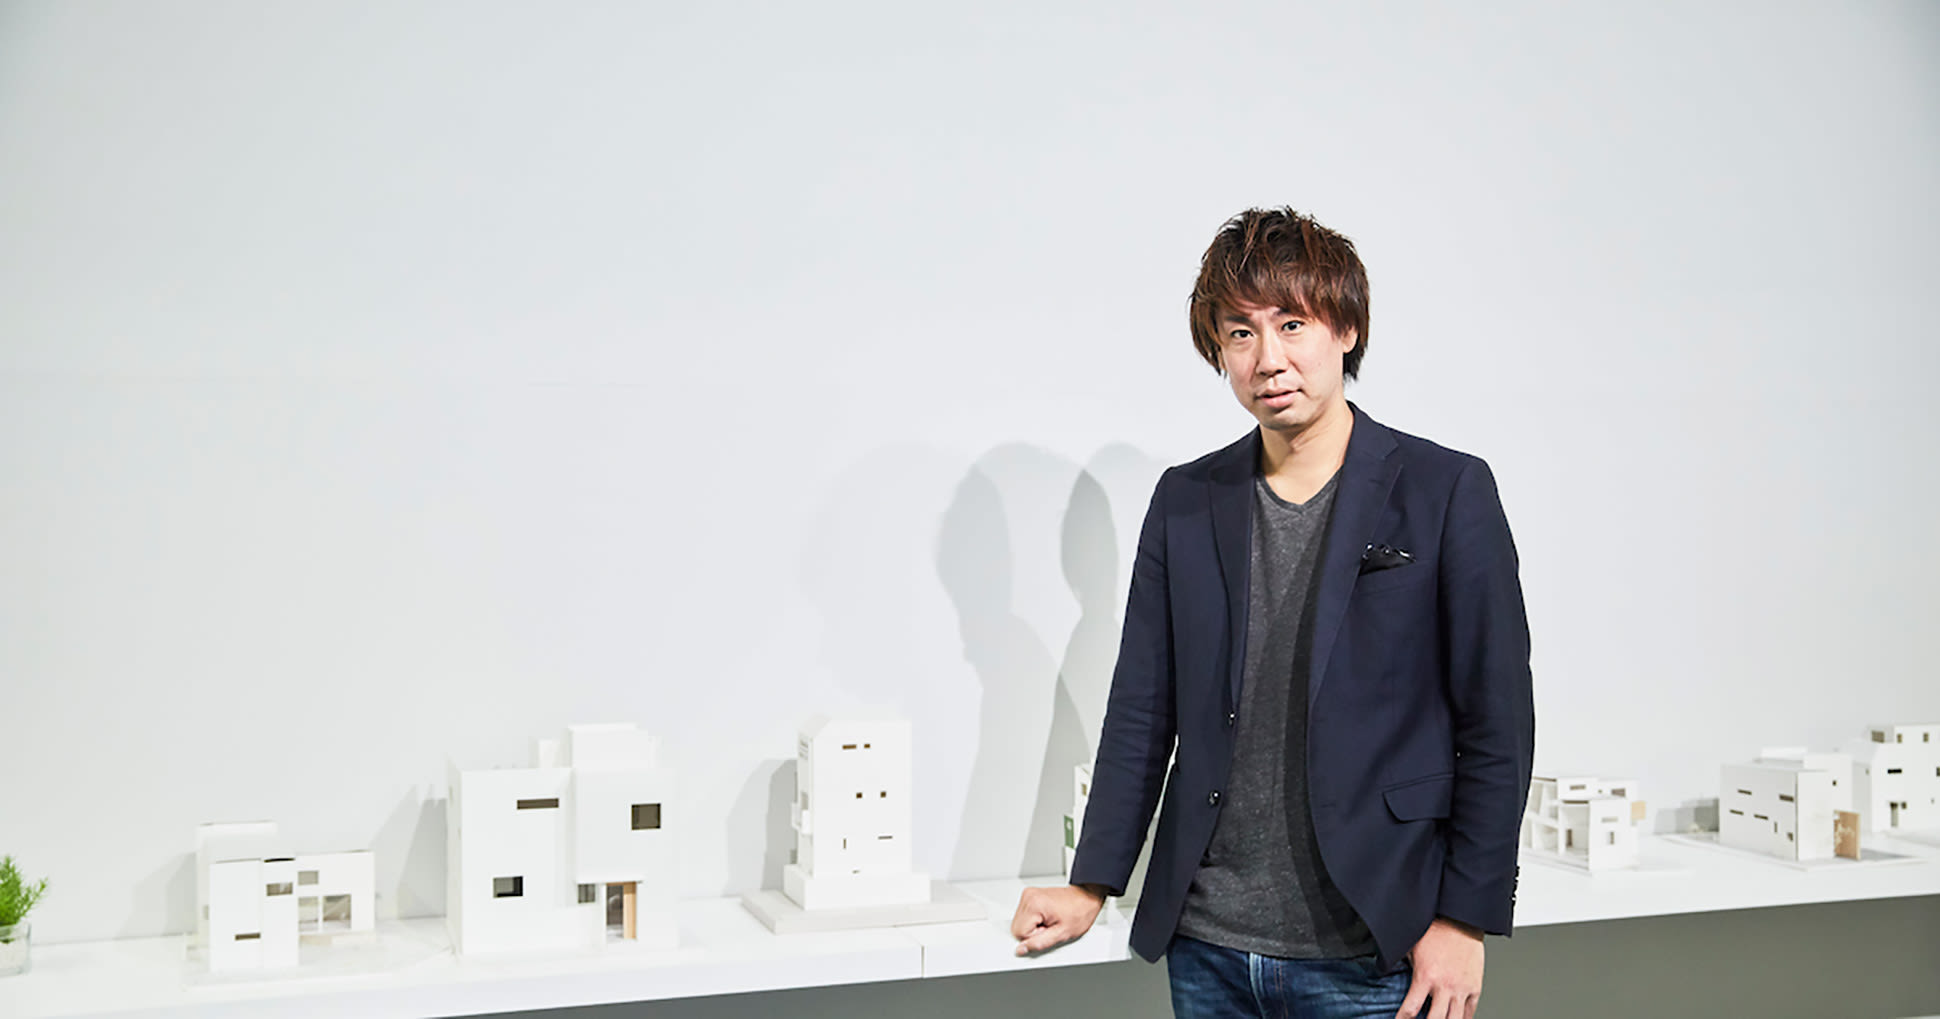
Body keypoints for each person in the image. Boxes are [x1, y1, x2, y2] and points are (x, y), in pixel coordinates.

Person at [1010, 208, 1534, 1019]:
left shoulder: (1445, 490)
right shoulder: (1186, 500)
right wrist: (1092, 881)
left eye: (1292, 324)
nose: (1269, 358)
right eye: (1240, 333)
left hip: (1375, 945)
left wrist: (1465, 916)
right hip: (1209, 946)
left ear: (1346, 329)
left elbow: (1496, 720)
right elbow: (1143, 707)